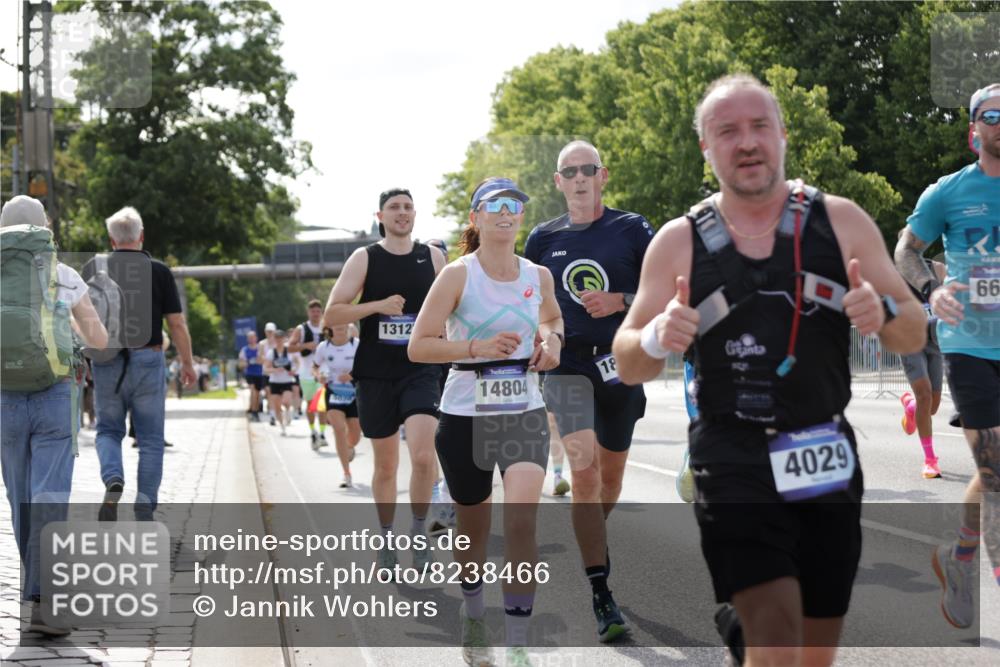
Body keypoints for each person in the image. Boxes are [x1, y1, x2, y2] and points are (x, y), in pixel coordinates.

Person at [613, 74, 925, 666]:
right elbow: (627, 360)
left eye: (759, 127)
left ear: (783, 135)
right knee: (778, 635)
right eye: (727, 131)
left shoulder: (843, 223)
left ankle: (745, 636)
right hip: (732, 454)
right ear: (707, 148)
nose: (747, 142)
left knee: (813, 651)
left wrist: (881, 310)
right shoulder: (679, 242)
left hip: (823, 449)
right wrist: (657, 334)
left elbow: (912, 328)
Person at [409, 177, 563, 667]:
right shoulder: (457, 275)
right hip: (464, 415)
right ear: (475, 218)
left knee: (521, 522)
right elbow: (420, 345)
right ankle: (475, 613)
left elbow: (553, 320)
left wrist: (552, 343)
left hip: (524, 410)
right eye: (492, 205)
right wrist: (473, 347)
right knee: (472, 535)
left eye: (514, 203)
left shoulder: (538, 276)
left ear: (522, 215)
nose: (505, 211)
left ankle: (518, 641)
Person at [523, 140, 654, 642]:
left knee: (611, 481)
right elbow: (524, 296)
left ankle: (591, 538)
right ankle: (600, 589)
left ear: (603, 175)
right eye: (569, 171)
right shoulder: (541, 238)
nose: (579, 178)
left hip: (621, 361)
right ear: (557, 182)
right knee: (585, 472)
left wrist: (621, 299)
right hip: (567, 365)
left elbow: (666, 288)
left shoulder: (632, 227)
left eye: (587, 169)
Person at [894, 82, 1000, 630]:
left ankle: (960, 557)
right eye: (993, 113)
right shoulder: (949, 193)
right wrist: (930, 291)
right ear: (973, 130)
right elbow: (907, 249)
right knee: (997, 468)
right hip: (971, 344)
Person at [1, 195, 108, 635]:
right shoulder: (62, 275)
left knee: (19, 496)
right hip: (53, 395)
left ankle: (36, 591)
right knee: (49, 494)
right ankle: (45, 602)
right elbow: (99, 339)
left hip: (4, 396)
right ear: (43, 228)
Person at [323, 188, 447, 572]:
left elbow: (457, 303)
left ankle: (417, 531)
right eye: (394, 207)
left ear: (415, 214)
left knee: (424, 456)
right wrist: (377, 306)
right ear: (380, 215)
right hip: (376, 372)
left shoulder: (434, 257)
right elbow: (332, 314)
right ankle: (387, 536)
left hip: (420, 368)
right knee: (387, 466)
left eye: (408, 207)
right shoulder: (365, 258)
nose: (402, 213)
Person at [89, 206, 197, 521]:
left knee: (108, 430)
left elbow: (82, 319)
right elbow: (176, 324)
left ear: (111, 239)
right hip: (149, 358)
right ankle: (145, 506)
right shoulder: (159, 270)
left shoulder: (94, 269)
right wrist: (187, 363)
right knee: (150, 439)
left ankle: (113, 478)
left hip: (108, 359)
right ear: (141, 237)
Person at [895, 254, 947, 479]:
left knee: (932, 406)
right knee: (925, 396)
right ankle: (930, 460)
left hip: (935, 342)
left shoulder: (938, 269)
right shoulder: (893, 273)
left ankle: (911, 406)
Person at [313, 325, 362, 486]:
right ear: (331, 327)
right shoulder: (323, 347)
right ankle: (346, 473)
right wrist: (318, 376)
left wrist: (351, 375)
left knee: (354, 436)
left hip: (354, 394)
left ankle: (348, 446)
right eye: (336, 323)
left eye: (343, 323)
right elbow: (315, 367)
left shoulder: (356, 344)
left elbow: (367, 366)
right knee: (339, 429)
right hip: (333, 393)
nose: (340, 326)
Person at [289, 299, 329, 447]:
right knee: (311, 404)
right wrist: (306, 345)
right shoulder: (301, 329)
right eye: (313, 311)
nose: (316, 314)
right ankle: (313, 433)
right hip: (306, 372)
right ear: (308, 312)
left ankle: (323, 433)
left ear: (321, 312)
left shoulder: (326, 327)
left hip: (323, 371)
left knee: (322, 404)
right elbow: (290, 348)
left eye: (318, 311)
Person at [262, 329, 298, 436]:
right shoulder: (271, 352)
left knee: (286, 401)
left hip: (287, 380)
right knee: (277, 407)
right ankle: (282, 426)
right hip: (275, 381)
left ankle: (287, 412)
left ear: (284, 339)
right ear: (274, 339)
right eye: (277, 338)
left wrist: (294, 370)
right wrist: (274, 370)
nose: (279, 340)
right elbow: (266, 368)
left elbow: (297, 363)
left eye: (280, 338)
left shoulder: (289, 351)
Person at [238, 330, 266, 421]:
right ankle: (254, 412)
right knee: (253, 391)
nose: (251, 339)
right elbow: (241, 364)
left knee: (257, 394)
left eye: (253, 337)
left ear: (256, 338)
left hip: (259, 374)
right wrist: (247, 363)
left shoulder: (260, 348)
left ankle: (255, 410)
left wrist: (259, 359)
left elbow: (263, 360)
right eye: (249, 338)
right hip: (250, 374)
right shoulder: (244, 350)